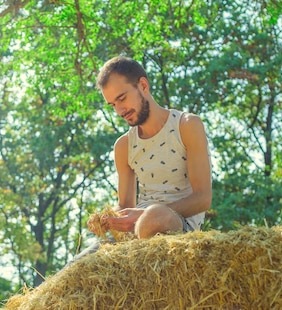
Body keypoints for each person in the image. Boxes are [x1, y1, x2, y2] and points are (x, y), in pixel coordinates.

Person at [75, 56, 212, 261]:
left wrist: (143, 216)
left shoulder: (186, 125)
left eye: (122, 98)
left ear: (143, 85)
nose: (119, 110)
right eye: (112, 105)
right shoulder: (123, 146)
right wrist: (108, 219)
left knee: (154, 216)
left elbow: (203, 198)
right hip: (136, 229)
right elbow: (125, 206)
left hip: (176, 224)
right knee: (76, 265)